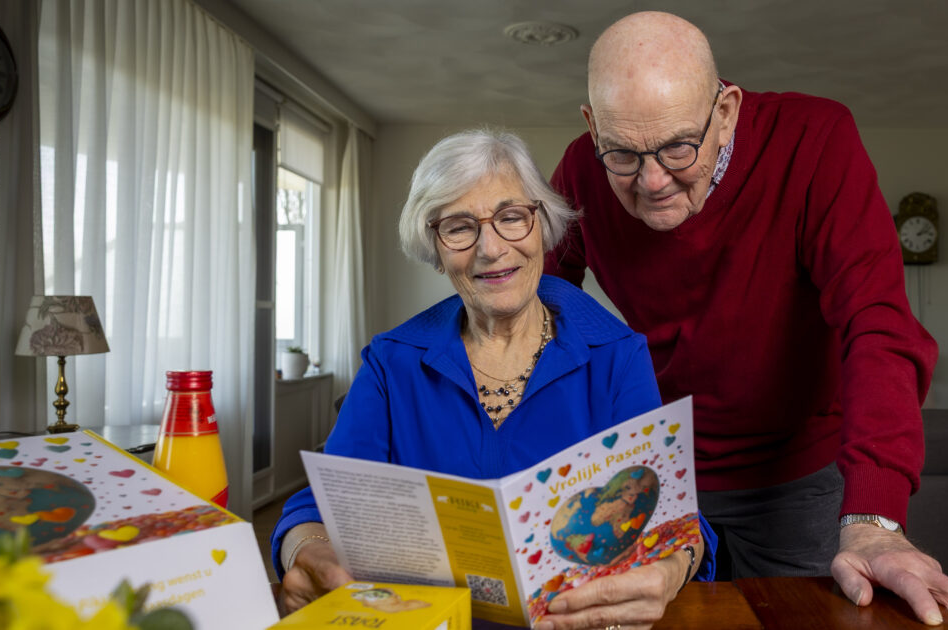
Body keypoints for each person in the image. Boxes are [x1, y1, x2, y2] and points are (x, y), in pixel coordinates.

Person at [544, 11, 948, 626]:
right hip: (661, 477)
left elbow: (877, 324)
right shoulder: (582, 168)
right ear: (592, 127)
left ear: (725, 112)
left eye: (678, 148)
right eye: (624, 155)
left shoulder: (815, 140)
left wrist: (875, 520)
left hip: (800, 477)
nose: (653, 181)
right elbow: (535, 312)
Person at [271, 128, 715, 629]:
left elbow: (674, 518)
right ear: (436, 248)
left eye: (510, 217)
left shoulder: (617, 356)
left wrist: (673, 568)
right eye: (459, 227)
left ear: (541, 224)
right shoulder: (391, 363)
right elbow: (321, 504)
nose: (491, 248)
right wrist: (307, 550)